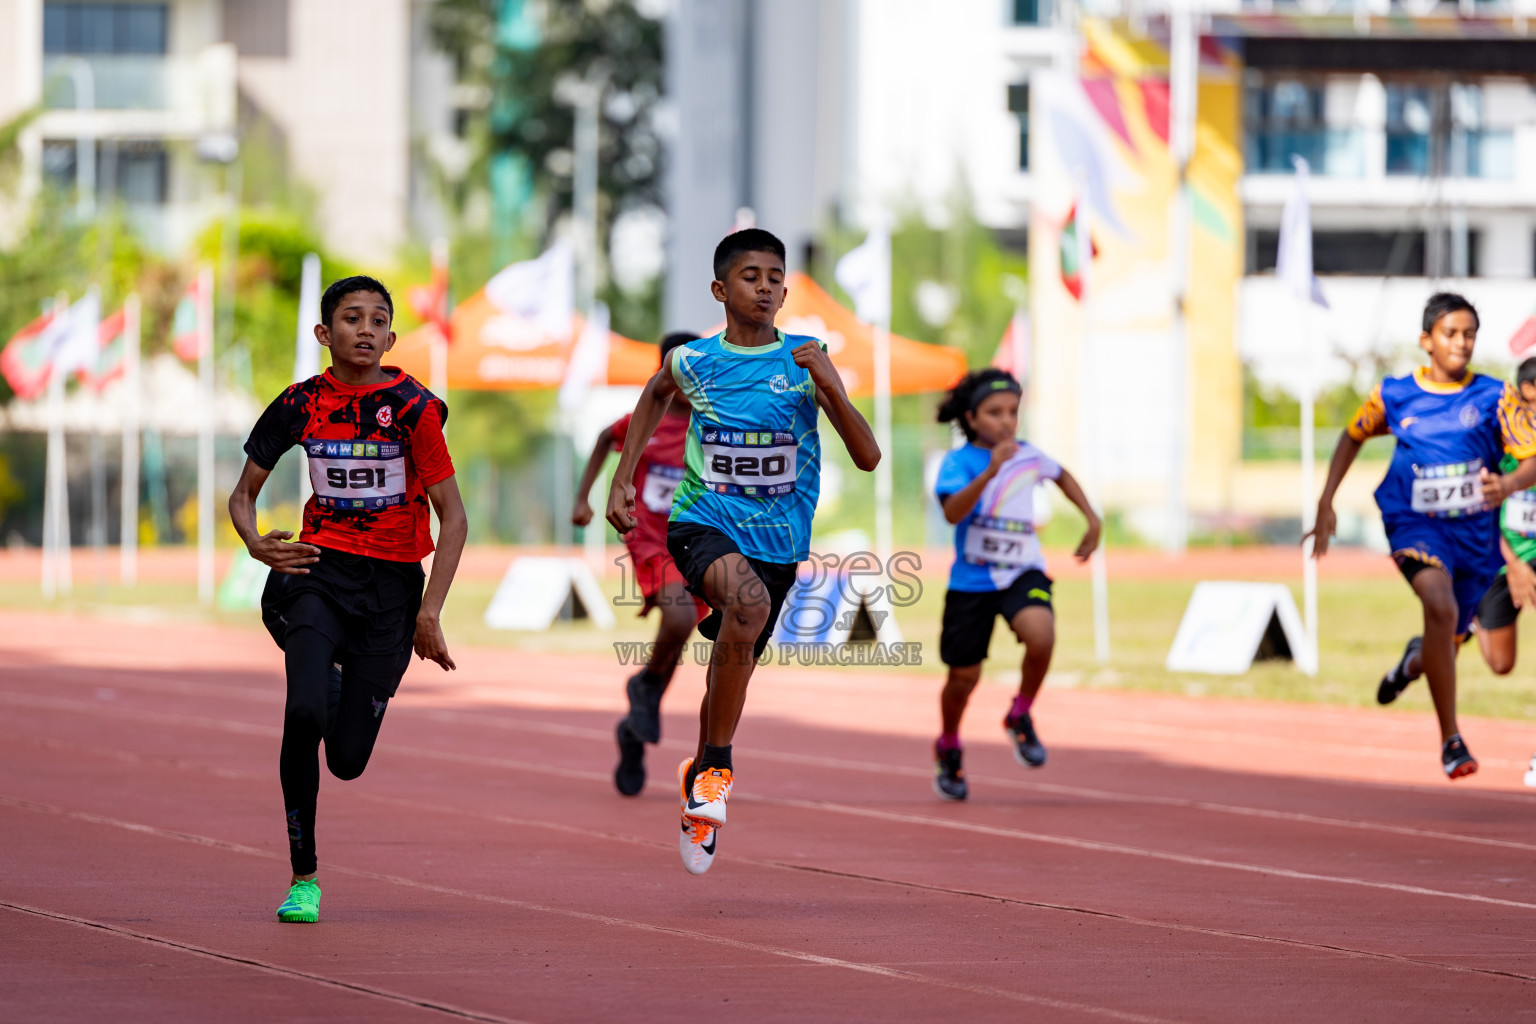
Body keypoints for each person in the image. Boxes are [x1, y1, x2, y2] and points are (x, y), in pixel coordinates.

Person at [605, 228, 879, 875]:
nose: (766, 286)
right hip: (701, 521)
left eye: (775, 276)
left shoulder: (805, 360)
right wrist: (623, 477)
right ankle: (718, 771)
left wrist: (832, 386)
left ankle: (700, 774)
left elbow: (867, 457)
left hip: (780, 542)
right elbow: (652, 393)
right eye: (751, 276)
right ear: (721, 290)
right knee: (746, 606)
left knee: (732, 663)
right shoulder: (696, 361)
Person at [228, 275, 467, 922]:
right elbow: (242, 495)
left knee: (349, 761)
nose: (365, 329)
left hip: (390, 592)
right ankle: (303, 877)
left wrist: (429, 612)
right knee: (302, 713)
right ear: (323, 333)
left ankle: (340, 682)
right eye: (351, 317)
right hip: (316, 572)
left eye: (378, 319)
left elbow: (454, 516)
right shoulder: (301, 403)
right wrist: (255, 543)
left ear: (391, 336)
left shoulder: (415, 408)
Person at [1308, 292, 1536, 780]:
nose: (1462, 342)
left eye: (1469, 333)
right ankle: (1451, 739)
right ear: (1426, 340)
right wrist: (1327, 500)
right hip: (1415, 524)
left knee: (1451, 641)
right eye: (1451, 333)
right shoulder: (1394, 394)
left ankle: (1412, 663)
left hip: (1474, 537)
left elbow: (1531, 459)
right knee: (1439, 604)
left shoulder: (1497, 396)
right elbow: (1352, 435)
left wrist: (1509, 483)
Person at [929, 369, 1100, 800]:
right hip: (972, 581)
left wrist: (1091, 518)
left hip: (1022, 570)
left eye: (1012, 412)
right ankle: (949, 743)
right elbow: (953, 514)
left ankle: (1020, 713)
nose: (1006, 421)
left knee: (1041, 634)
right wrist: (990, 473)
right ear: (970, 418)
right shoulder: (958, 463)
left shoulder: (1029, 455)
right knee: (963, 679)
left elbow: (1061, 475)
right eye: (994, 413)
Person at [573, 332, 708, 797]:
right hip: (650, 539)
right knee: (680, 617)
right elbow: (601, 440)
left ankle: (637, 718)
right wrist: (583, 498)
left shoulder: (711, 422)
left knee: (682, 631)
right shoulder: (644, 419)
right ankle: (646, 692)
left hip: (701, 541)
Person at [1468, 356, 1536, 787]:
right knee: (1501, 663)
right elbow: (1479, 515)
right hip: (1503, 555)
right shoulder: (1500, 445)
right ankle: (1473, 618)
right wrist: (1513, 565)